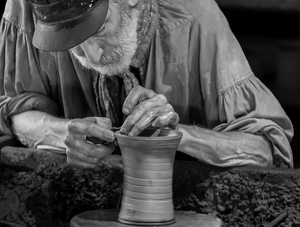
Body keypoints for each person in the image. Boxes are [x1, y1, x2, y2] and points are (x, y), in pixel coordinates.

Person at [0, 0, 294, 169]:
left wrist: (181, 136)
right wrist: (60, 132)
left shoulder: (196, 17)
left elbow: (266, 151)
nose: (91, 56)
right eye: (69, 42)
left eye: (99, 28)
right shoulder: (28, 8)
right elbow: (12, 112)